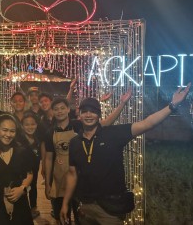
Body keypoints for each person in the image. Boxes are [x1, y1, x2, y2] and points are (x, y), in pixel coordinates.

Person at [60, 84, 191, 225]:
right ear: (79, 115)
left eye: (93, 111)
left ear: (99, 114)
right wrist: (65, 203)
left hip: (110, 209)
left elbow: (147, 123)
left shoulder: (114, 134)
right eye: (85, 111)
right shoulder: (74, 142)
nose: (88, 115)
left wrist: (172, 105)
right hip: (85, 207)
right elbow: (72, 174)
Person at [45, 91, 132, 224]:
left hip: (79, 177)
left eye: (63, 108)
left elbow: (103, 120)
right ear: (52, 111)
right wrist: (47, 182)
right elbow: (49, 157)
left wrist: (121, 104)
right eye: (56, 109)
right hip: (60, 176)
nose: (60, 112)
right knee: (61, 215)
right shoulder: (50, 131)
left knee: (79, 213)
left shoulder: (78, 125)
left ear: (69, 109)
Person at [21, 112, 42, 219]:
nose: (30, 127)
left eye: (33, 124)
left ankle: (33, 208)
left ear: (37, 124)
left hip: (34, 168)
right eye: (27, 124)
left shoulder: (37, 139)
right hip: (21, 170)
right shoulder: (18, 139)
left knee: (33, 187)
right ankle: (22, 209)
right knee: (23, 188)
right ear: (22, 126)